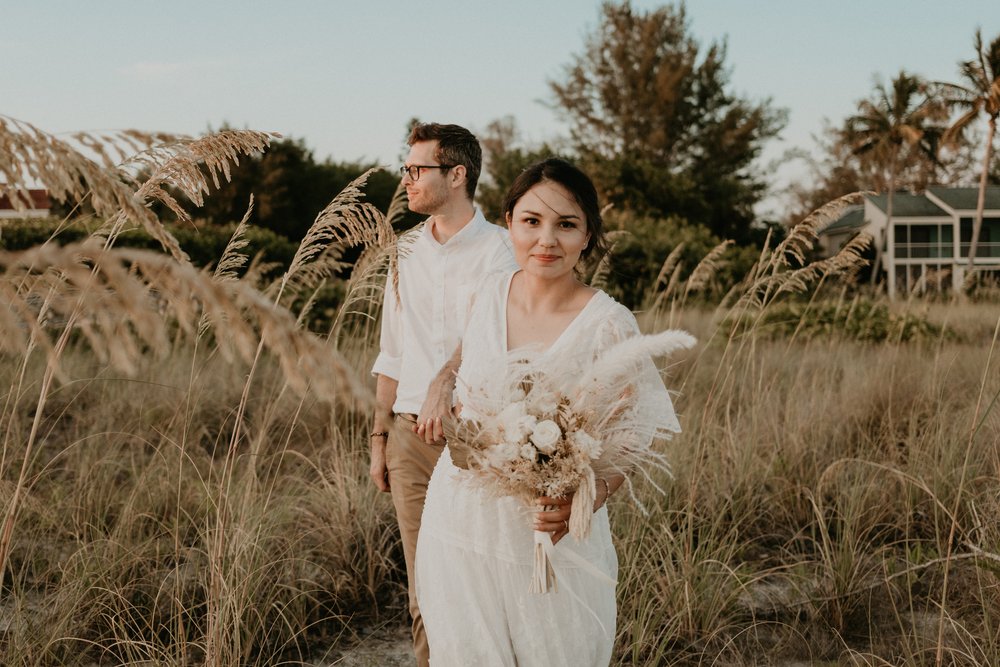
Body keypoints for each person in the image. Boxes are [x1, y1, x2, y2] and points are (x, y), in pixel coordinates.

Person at [414, 158, 678, 665]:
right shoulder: (489, 292)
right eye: (531, 221)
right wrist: (441, 382)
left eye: (567, 225)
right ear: (508, 221)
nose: (546, 240)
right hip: (460, 521)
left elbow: (640, 430)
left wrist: (588, 499)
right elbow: (467, 357)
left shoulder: (608, 323)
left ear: (588, 236)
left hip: (549, 535)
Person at [369, 122, 517, 667]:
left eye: (416, 169)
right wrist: (378, 438)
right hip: (409, 438)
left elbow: (493, 336)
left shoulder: (504, 252)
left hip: (477, 440)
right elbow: (392, 351)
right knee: (423, 587)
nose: (406, 180)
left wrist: (445, 381)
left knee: (481, 583)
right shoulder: (405, 252)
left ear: (457, 175)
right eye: (405, 168)